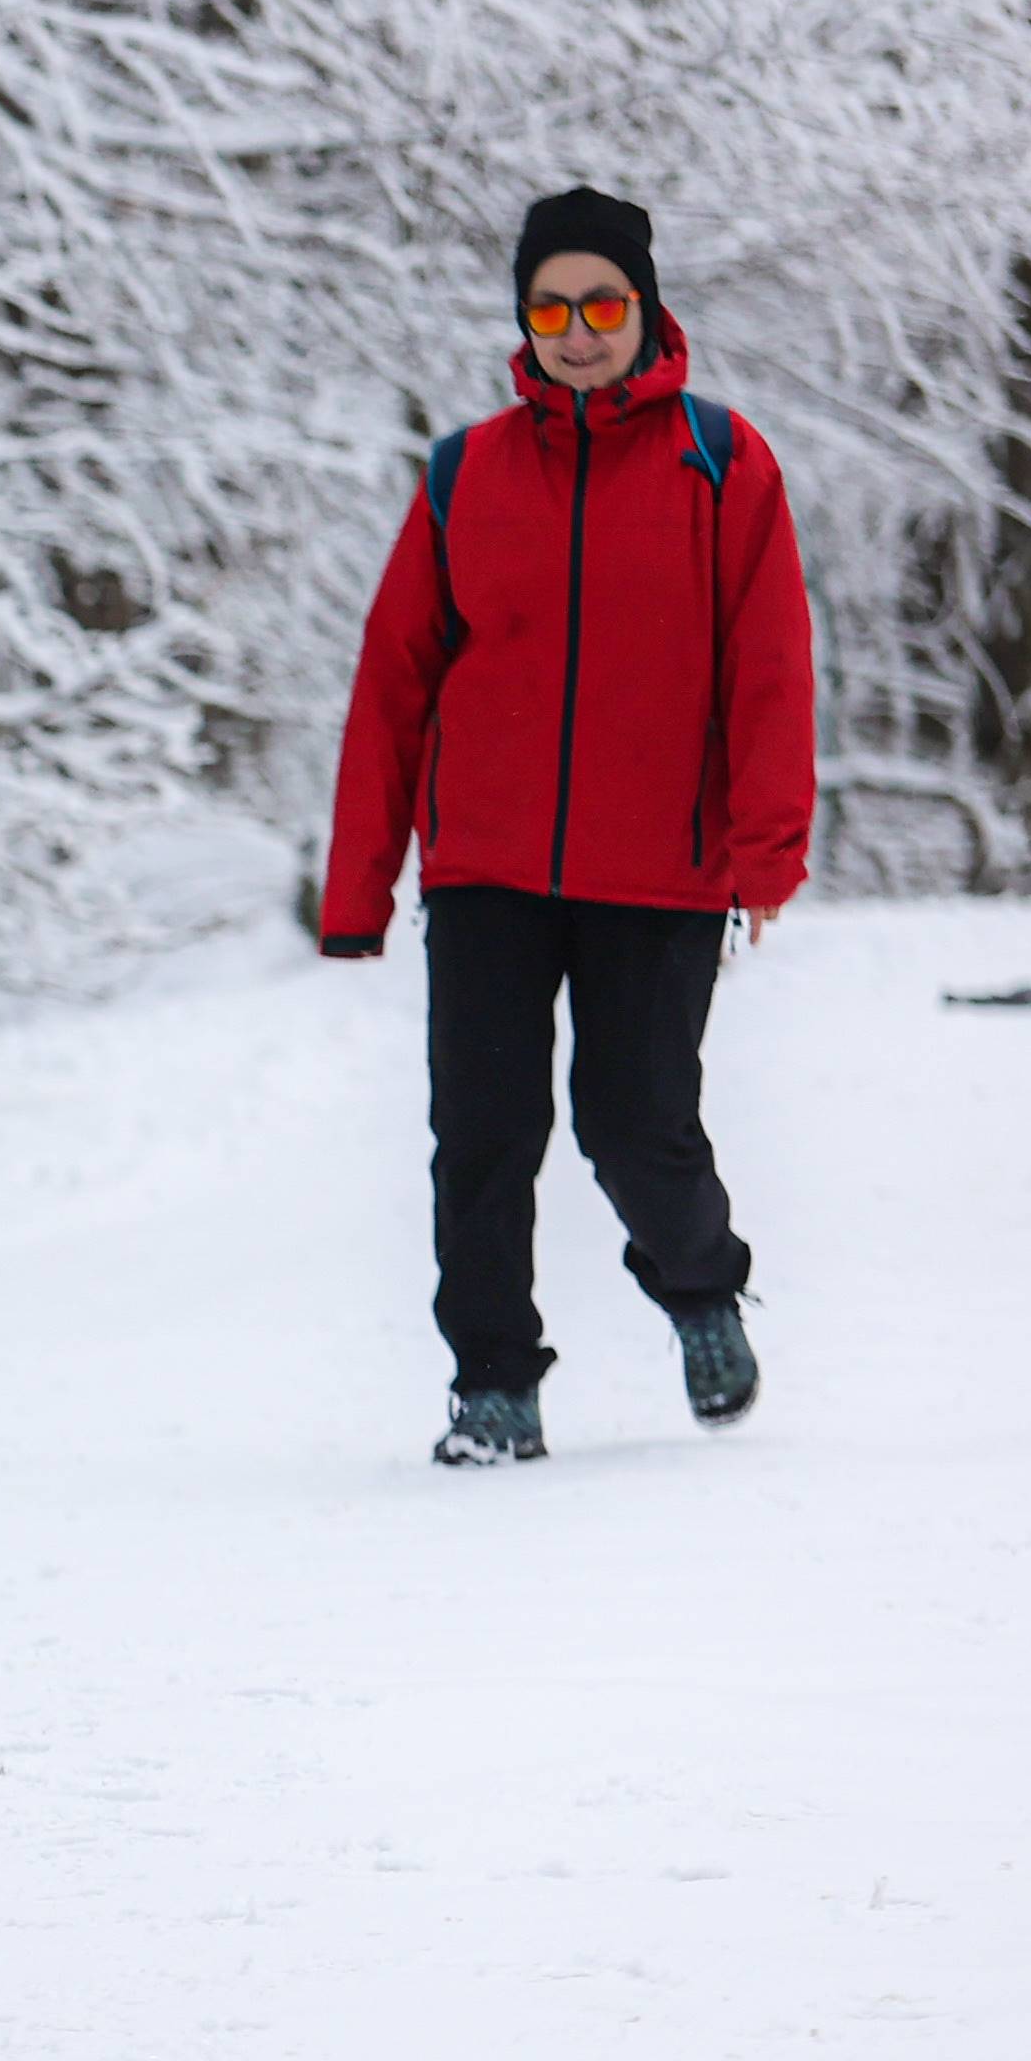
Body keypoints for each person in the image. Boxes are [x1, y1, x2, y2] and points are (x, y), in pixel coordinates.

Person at [323, 187, 815, 1465]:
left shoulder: (723, 460)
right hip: (486, 861)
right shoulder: (465, 474)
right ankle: (494, 1382)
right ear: (524, 320)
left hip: (662, 865)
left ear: (646, 310)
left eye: (603, 304)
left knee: (633, 1119)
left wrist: (768, 848)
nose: (579, 330)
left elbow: (768, 664)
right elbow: (394, 684)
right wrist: (359, 887)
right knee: (481, 1131)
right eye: (552, 306)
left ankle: (701, 1287)